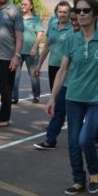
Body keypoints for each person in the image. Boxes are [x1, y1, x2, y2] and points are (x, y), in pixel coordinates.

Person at [46, 0, 98, 195]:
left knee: (85, 139)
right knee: (72, 141)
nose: (81, 14)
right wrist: (52, 97)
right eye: (77, 10)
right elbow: (62, 70)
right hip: (73, 97)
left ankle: (94, 172)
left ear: (95, 14)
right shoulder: (71, 39)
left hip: (97, 98)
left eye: (86, 10)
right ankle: (78, 179)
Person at [33, 8, 82, 150]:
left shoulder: (94, 38)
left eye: (76, 19)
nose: (74, 22)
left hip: (84, 84)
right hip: (67, 80)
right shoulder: (70, 37)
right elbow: (63, 66)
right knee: (59, 110)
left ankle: (96, 137)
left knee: (84, 115)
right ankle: (50, 140)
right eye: (72, 19)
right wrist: (52, 98)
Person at [35, 0, 72, 91]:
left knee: (64, 95)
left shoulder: (73, 28)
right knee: (54, 93)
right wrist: (39, 65)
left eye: (65, 12)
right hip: (53, 65)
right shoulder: (52, 25)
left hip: (67, 67)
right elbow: (47, 46)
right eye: (60, 12)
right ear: (56, 13)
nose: (62, 14)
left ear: (69, 13)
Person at [12, 0, 43, 104]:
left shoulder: (36, 19)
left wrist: (35, 47)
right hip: (18, 52)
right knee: (15, 76)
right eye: (21, 4)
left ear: (31, 6)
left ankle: (36, 95)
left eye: (25, 4)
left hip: (31, 53)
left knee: (33, 76)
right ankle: (14, 97)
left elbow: (39, 34)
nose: (23, 6)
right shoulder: (18, 18)